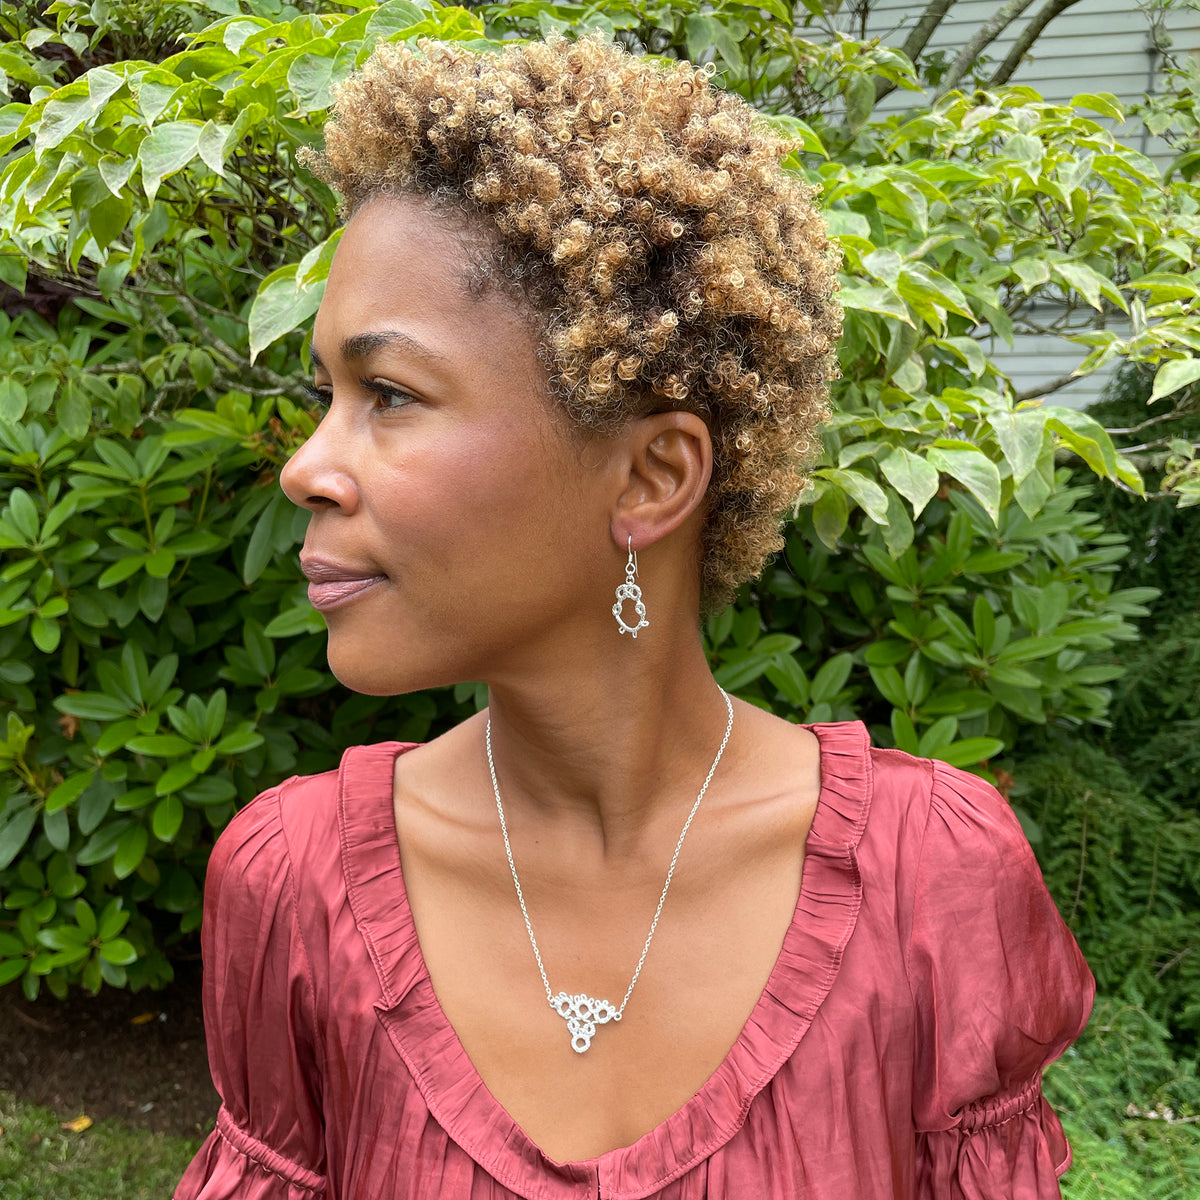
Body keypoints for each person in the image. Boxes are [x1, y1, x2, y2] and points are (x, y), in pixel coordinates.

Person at [174, 31, 1095, 1200]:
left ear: (654, 478)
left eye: (390, 396)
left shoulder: (932, 888)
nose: (308, 467)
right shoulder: (296, 890)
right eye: (328, 396)